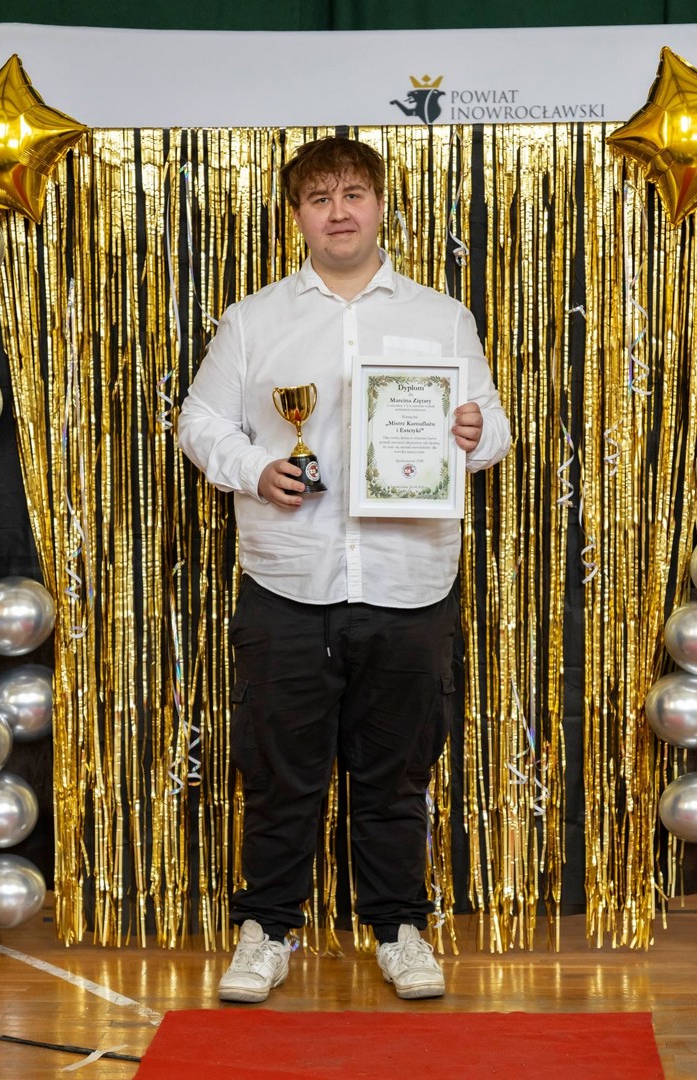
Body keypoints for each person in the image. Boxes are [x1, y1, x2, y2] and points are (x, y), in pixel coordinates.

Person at [177, 136, 510, 1004]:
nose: (338, 212)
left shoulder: (442, 317)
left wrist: (477, 433)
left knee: (397, 772)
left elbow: (493, 427)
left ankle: (399, 930)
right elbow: (199, 421)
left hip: (409, 579)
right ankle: (267, 929)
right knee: (279, 769)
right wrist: (255, 468)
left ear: (380, 204)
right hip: (288, 577)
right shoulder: (253, 320)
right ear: (298, 215)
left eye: (353, 194)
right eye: (319, 198)